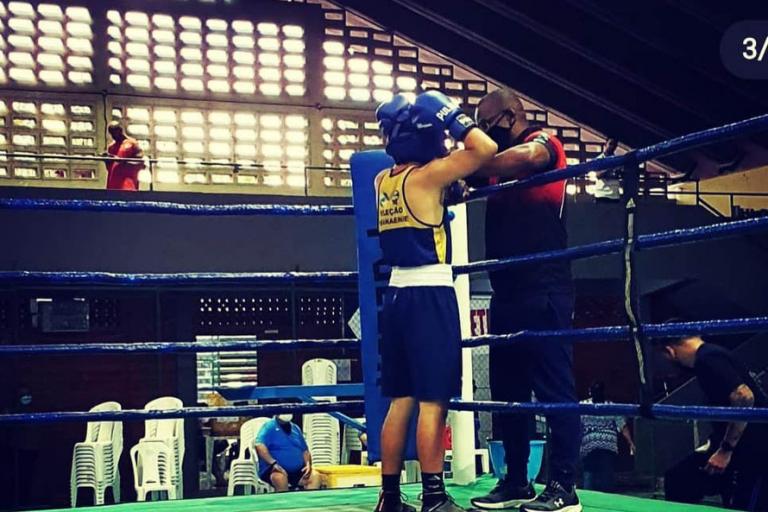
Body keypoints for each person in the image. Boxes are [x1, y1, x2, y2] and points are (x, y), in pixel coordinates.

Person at [374, 91, 497, 512]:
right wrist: (454, 117)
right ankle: (434, 498)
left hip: (395, 295)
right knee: (433, 401)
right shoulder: (429, 176)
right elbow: (485, 149)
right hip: (430, 294)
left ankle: (390, 498)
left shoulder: (381, 180)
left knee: (401, 400)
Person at [467, 88, 580, 512]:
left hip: (544, 286)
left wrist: (472, 159)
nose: (483, 132)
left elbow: (528, 158)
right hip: (506, 291)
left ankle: (565, 488)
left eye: (487, 123)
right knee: (508, 394)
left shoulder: (544, 144)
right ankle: (517, 481)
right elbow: (460, 179)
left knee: (554, 390)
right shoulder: (494, 168)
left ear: (512, 115)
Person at [659, 332, 768, 509]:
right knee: (678, 479)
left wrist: (725, 449)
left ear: (670, 351)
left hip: (754, 449)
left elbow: (744, 396)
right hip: (738, 445)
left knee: (744, 503)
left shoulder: (708, 358)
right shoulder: (711, 355)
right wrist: (716, 442)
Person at [579, 381, 635, 492]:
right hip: (593, 447)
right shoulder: (584, 405)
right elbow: (623, 426)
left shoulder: (610, 406)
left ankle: (596, 494)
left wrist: (631, 443)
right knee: (595, 477)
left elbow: (622, 426)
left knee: (600, 478)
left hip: (604, 447)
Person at [254, 414, 321, 492]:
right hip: (276, 469)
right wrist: (273, 463)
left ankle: (307, 499)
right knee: (279, 478)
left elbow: (305, 450)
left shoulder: (295, 428)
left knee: (315, 476)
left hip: (298, 471)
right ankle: (284, 499)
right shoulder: (269, 427)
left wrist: (308, 464)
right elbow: (259, 445)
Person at [104, 122, 145, 190]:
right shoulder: (111, 147)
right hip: (113, 185)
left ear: (120, 130)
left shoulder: (132, 143)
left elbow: (141, 163)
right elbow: (109, 168)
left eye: (114, 133)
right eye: (111, 133)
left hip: (128, 184)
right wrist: (107, 160)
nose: (113, 136)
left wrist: (122, 161)